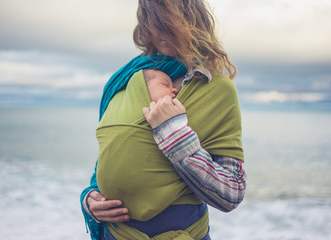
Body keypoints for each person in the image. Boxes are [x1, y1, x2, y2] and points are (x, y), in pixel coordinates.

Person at [80, 0, 247, 239]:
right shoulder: (128, 78)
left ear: (191, 19)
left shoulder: (218, 89)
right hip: (117, 234)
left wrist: (173, 133)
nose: (156, 29)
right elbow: (111, 154)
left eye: (165, 18)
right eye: (150, 18)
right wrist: (91, 197)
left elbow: (232, 192)